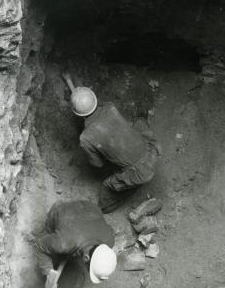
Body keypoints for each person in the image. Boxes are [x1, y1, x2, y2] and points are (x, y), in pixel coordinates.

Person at [62, 72, 160, 213]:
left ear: (77, 113)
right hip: (151, 150)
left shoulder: (86, 138)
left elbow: (98, 164)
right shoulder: (110, 107)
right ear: (94, 100)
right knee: (137, 128)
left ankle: (105, 209)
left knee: (107, 187)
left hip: (141, 172)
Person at [29, 200, 117, 288]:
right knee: (50, 235)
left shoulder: (110, 238)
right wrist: (48, 272)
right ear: (86, 258)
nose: (87, 270)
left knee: (65, 245)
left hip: (89, 207)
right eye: (88, 268)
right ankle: (49, 224)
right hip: (64, 210)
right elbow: (40, 246)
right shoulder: (63, 243)